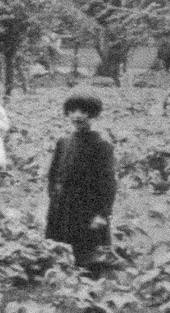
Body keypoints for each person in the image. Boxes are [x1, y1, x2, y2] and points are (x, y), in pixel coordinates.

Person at [45, 89, 117, 271]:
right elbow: (54, 173)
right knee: (61, 250)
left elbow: (108, 183)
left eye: (83, 111)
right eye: (73, 111)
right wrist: (54, 197)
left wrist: (102, 214)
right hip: (64, 206)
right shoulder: (63, 142)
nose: (77, 116)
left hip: (88, 207)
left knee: (90, 254)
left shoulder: (102, 144)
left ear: (93, 114)